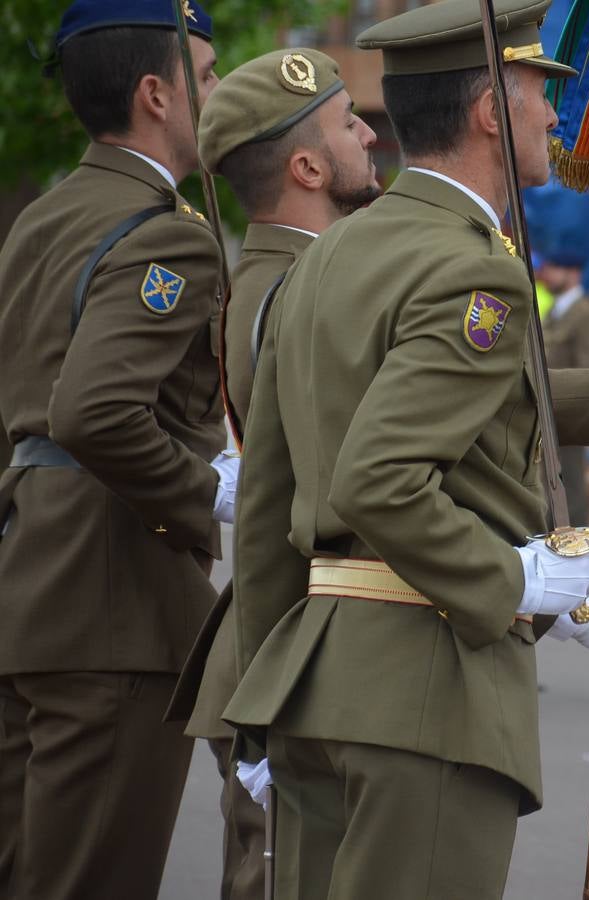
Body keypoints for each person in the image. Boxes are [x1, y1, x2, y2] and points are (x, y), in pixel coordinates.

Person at [218, 2, 589, 897]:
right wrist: (526, 584)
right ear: (491, 107)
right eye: (538, 94)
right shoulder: (474, 267)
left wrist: (262, 698)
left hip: (312, 687)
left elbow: (270, 498)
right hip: (425, 692)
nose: (554, 117)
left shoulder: (327, 257)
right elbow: (380, 479)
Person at [0, 3, 232, 898]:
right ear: (156, 94)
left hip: (32, 579)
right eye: (206, 78)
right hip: (115, 601)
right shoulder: (168, 231)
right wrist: (205, 490)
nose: (215, 94)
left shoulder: (43, 216)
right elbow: (93, 412)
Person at [160, 47, 381, 900]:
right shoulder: (298, 286)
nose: (368, 132)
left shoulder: (277, 273)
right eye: (347, 122)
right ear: (307, 165)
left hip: (277, 643)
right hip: (287, 646)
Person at [541, 246, 589, 523]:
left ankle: (578, 548)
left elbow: (588, 369)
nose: (547, 274)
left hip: (567, 414)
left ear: (573, 273)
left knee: (571, 485)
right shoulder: (556, 309)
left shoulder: (584, 313)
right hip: (546, 412)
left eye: (555, 268)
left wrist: (574, 414)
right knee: (548, 483)